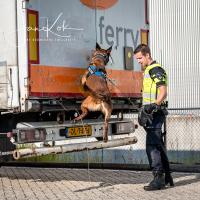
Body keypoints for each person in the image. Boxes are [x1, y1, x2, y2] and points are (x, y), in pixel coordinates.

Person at [133, 44, 174, 191]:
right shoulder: (149, 70)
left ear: (147, 55)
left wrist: (153, 106)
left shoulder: (155, 69)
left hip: (155, 114)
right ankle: (167, 176)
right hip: (152, 113)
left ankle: (158, 179)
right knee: (157, 145)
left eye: (139, 58)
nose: (138, 61)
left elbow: (163, 92)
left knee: (152, 146)